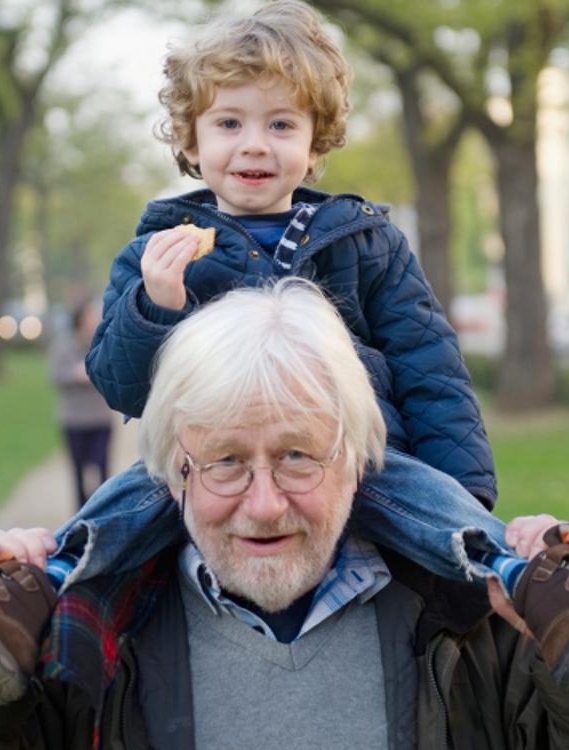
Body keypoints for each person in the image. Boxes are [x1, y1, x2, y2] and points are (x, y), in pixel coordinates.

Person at [0, 281, 569, 750]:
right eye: (226, 462)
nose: (264, 505)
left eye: (299, 455)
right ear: (173, 470)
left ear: (360, 456)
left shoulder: (480, 621)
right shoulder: (85, 632)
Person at [43, 0, 532, 609]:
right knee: (133, 497)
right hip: (211, 467)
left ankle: (524, 581)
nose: (254, 146)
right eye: (229, 124)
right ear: (191, 141)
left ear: (314, 140)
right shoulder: (158, 255)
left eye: (280, 125)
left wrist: (459, 494)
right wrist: (158, 306)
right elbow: (119, 386)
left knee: (416, 495)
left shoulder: (365, 243)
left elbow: (430, 368)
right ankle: (41, 587)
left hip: (351, 461)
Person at [50, 299, 113, 506]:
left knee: (102, 467)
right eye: (90, 315)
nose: (94, 319)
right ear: (80, 319)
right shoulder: (63, 344)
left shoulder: (103, 342)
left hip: (100, 418)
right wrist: (76, 375)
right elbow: (55, 376)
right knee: (78, 470)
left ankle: (103, 509)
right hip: (74, 419)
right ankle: (80, 514)